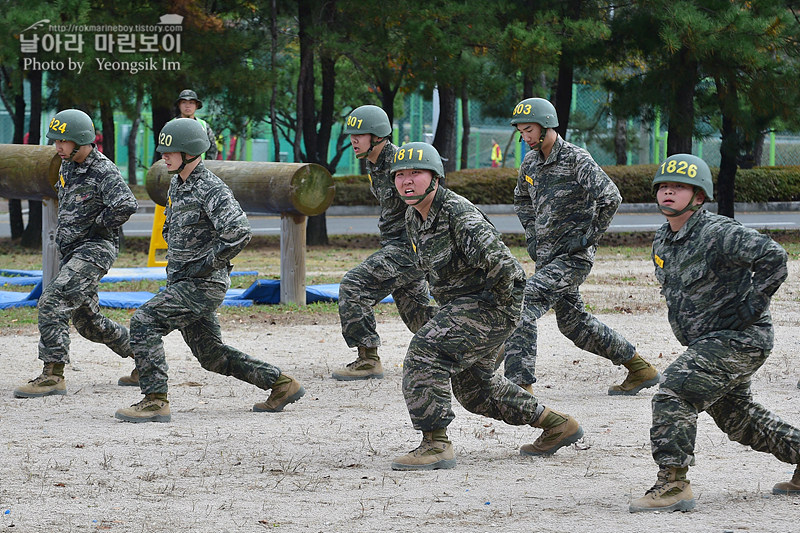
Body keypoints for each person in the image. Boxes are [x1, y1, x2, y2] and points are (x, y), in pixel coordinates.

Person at [389, 142, 584, 470]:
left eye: (416, 173)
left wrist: (497, 317)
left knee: (426, 352)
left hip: (490, 305)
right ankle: (557, 424)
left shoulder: (457, 214)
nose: (407, 181)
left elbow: (507, 270)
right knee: (477, 390)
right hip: (464, 308)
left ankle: (435, 444)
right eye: (400, 174)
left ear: (435, 178)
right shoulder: (414, 216)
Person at [629, 154, 800, 512]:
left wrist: (753, 304)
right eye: (662, 186)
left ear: (700, 196)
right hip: (708, 343)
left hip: (740, 339)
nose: (668, 192)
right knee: (739, 419)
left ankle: (673, 484)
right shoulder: (664, 240)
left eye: (678, 187)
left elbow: (774, 257)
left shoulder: (719, 232)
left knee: (674, 390)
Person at [114, 119, 304, 423]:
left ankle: (154, 400)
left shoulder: (210, 187)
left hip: (201, 285)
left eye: (170, 150)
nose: (164, 155)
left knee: (144, 321)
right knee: (212, 356)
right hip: (183, 281)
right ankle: (281, 384)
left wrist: (208, 262)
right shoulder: (179, 182)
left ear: (189, 151)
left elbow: (239, 230)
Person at [499, 97, 660, 395]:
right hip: (547, 259)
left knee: (523, 303)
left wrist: (589, 237)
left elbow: (611, 197)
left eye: (529, 130)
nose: (525, 137)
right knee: (575, 325)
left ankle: (520, 388)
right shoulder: (531, 162)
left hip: (573, 258)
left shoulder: (576, 158)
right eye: (521, 131)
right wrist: (532, 233)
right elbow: (521, 198)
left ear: (547, 124)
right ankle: (640, 368)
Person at [13, 109, 138, 398]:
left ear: (81, 141)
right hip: (73, 252)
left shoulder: (103, 170)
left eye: (63, 141)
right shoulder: (67, 165)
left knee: (52, 300)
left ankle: (52, 376)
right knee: (89, 323)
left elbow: (126, 204)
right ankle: (146, 356)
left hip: (94, 250)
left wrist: (97, 225)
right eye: (56, 141)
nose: (57, 147)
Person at [332, 105, 437, 381]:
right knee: (418, 314)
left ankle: (368, 359)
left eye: (360, 135)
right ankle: (476, 346)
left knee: (354, 285)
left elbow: (432, 197)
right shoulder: (374, 163)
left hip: (408, 248)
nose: (354, 140)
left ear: (377, 136)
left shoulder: (401, 162)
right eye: (352, 135)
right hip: (396, 246)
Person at [174, 89, 218, 160]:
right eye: (184, 102)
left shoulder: (203, 126)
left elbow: (212, 149)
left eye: (191, 102)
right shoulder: (171, 125)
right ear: (179, 105)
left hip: (200, 168)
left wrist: (206, 166)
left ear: (196, 106)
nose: (187, 106)